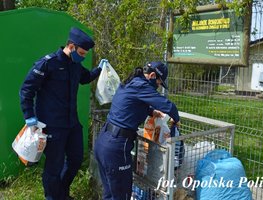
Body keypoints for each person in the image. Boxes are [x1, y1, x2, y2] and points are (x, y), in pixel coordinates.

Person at [19, 27, 107, 200]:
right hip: (52, 125)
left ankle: (62, 192)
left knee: (75, 160)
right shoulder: (47, 63)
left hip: (72, 124)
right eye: (81, 53)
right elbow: (26, 89)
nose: (82, 57)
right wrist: (29, 115)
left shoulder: (75, 65)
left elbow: (85, 78)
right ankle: (52, 197)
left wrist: (99, 69)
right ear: (71, 46)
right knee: (54, 167)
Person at [94, 61, 180, 199]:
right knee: (122, 195)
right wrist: (176, 119)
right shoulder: (142, 86)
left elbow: (132, 105)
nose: (157, 87)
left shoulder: (132, 82)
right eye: (158, 83)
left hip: (104, 141)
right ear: (152, 75)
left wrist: (152, 112)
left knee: (110, 194)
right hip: (116, 147)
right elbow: (168, 106)